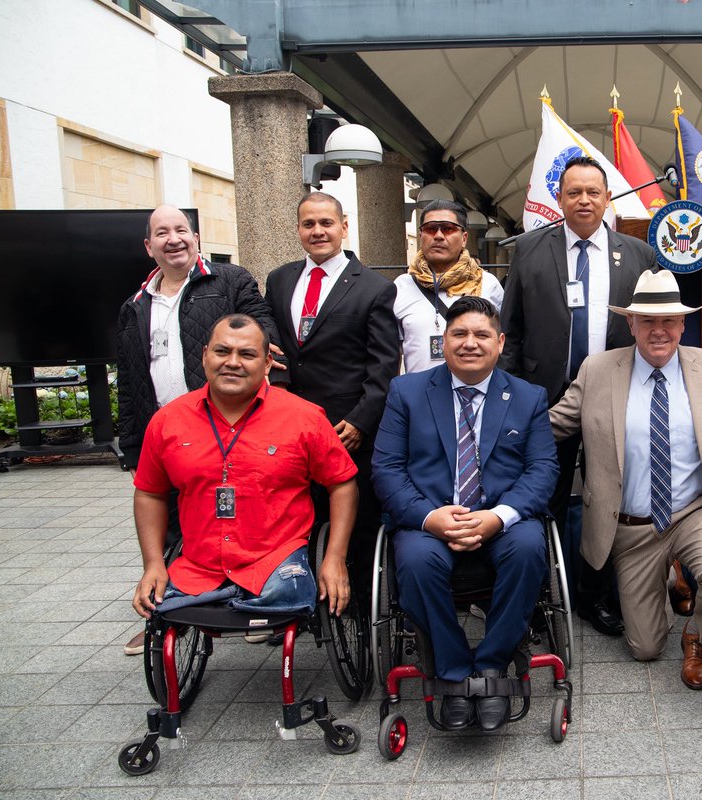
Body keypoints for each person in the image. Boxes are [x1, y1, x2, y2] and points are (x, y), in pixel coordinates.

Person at [550, 269, 702, 689]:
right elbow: (555, 423)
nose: (659, 331)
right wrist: (492, 420)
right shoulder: (598, 369)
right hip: (630, 526)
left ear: (682, 324)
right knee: (646, 647)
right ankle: (672, 576)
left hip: (693, 512)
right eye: (648, 321)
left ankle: (698, 636)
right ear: (631, 323)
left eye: (668, 321)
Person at [371, 296, 558, 733]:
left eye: (481, 335)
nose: (470, 343)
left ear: (500, 342)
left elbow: (543, 469)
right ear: (443, 341)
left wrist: (499, 516)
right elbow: (387, 468)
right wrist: (429, 517)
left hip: (500, 521)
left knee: (531, 545)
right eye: (459, 334)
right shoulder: (407, 392)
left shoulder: (528, 397)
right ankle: (453, 672)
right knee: (414, 561)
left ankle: (491, 669)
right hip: (430, 521)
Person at [501, 155, 658, 638]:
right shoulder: (528, 251)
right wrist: (514, 400)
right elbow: (511, 331)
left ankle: (596, 596)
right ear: (560, 199)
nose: (584, 200)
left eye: (594, 192)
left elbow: (652, 332)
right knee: (538, 497)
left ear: (608, 198)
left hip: (614, 402)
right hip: (545, 403)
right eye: (574, 192)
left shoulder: (638, 255)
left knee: (607, 501)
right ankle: (532, 602)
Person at [116, 205, 281, 655]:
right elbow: (129, 380)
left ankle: (255, 604)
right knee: (169, 527)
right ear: (148, 246)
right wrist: (131, 446)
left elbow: (261, 326)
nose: (174, 239)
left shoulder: (228, 281)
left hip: (226, 425)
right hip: (164, 432)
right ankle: (167, 612)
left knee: (242, 517)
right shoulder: (135, 305)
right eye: (162, 233)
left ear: (196, 238)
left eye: (181, 230)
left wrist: (259, 362)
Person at [131, 315, 358, 624]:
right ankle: (238, 603)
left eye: (247, 354)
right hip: (200, 564)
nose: (232, 362)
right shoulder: (168, 421)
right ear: (205, 355)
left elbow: (342, 484)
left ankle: (233, 602)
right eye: (222, 351)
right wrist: (154, 564)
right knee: (157, 604)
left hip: (277, 561)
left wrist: (334, 559)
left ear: (267, 364)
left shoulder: (304, 418)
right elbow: (150, 493)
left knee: (291, 595)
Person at [265, 192, 401, 588]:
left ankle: (356, 600)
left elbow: (383, 368)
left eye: (326, 223)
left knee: (353, 521)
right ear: (298, 230)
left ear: (344, 227)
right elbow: (276, 347)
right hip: (291, 425)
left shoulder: (375, 287)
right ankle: (294, 595)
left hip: (347, 428)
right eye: (309, 224)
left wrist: (360, 421)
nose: (318, 231)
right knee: (295, 515)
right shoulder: (279, 280)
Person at [395, 198, 504, 374]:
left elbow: (505, 345)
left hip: (477, 395)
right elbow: (390, 354)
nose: (438, 236)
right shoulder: (401, 287)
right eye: (430, 229)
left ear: (464, 238)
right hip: (420, 397)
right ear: (421, 235)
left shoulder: (488, 283)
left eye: (448, 229)